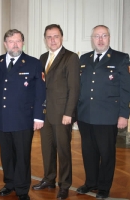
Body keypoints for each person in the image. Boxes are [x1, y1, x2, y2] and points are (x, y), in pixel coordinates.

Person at [76, 25, 130, 199]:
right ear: (92, 39)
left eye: (104, 36)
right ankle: (90, 182)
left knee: (106, 153)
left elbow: (127, 89)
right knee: (88, 152)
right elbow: (79, 87)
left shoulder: (121, 59)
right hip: (85, 115)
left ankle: (103, 187)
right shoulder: (84, 59)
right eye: (96, 36)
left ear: (109, 38)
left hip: (108, 116)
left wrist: (124, 115)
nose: (100, 40)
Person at [0, 29, 46, 200]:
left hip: (23, 119)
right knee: (6, 154)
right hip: (1, 119)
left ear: (23, 43)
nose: (15, 44)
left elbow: (40, 92)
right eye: (11, 41)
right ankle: (9, 183)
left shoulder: (33, 63)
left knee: (22, 155)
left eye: (18, 41)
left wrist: (38, 117)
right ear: (5, 43)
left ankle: (22, 189)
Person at [31, 24, 80, 199]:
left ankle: (64, 185)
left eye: (56, 36)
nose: (52, 40)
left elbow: (74, 88)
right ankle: (49, 178)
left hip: (62, 114)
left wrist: (69, 113)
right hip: (45, 114)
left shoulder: (71, 57)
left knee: (63, 151)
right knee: (47, 149)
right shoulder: (43, 57)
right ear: (45, 39)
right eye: (49, 37)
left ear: (62, 37)